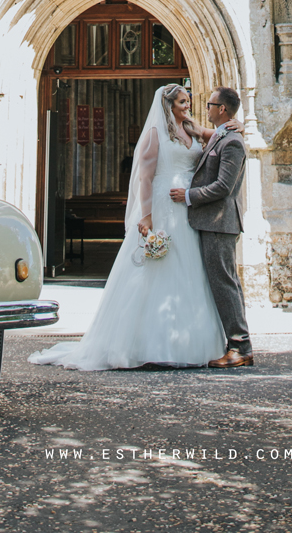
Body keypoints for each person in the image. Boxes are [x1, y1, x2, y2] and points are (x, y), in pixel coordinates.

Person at [28, 83, 227, 370]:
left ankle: (188, 340)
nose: (188, 106)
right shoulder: (155, 134)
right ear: (168, 105)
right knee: (157, 267)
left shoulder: (193, 130)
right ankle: (143, 343)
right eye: (183, 102)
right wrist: (145, 216)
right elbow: (144, 178)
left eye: (188, 101)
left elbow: (219, 136)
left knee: (190, 269)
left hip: (189, 206)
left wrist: (233, 125)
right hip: (163, 204)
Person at [170, 85, 254, 369]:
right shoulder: (222, 136)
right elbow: (199, 131)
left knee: (225, 283)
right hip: (212, 222)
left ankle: (240, 347)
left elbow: (223, 187)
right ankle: (238, 345)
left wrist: (189, 196)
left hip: (220, 222)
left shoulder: (233, 142)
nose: (205, 109)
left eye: (209, 104)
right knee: (224, 282)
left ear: (222, 110)